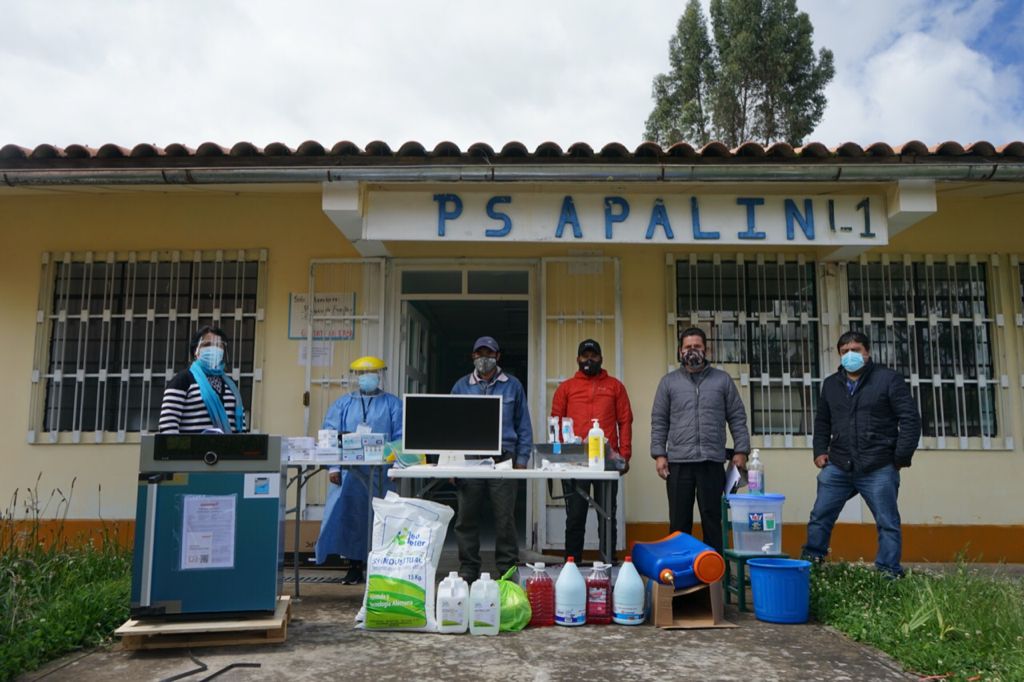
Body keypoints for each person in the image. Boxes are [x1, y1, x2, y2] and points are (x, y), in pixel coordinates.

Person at [802, 331, 921, 577]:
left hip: (878, 465)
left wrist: (900, 457)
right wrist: (819, 451)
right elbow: (822, 421)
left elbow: (909, 419)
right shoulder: (831, 384)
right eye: (845, 351)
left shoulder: (888, 379)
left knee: (887, 522)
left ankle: (889, 574)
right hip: (839, 464)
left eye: (855, 350)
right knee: (820, 516)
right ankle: (812, 565)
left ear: (867, 352)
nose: (850, 355)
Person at [649, 327, 749, 554]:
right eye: (688, 347)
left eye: (697, 347)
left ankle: (713, 578)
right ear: (679, 351)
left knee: (712, 520)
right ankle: (679, 572)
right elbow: (659, 420)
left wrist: (741, 451)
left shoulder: (722, 380)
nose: (692, 351)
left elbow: (737, 417)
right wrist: (659, 455)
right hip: (678, 463)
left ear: (707, 350)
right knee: (678, 523)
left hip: (711, 461)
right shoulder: (668, 383)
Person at [451, 336, 533, 583]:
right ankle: (468, 568)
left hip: (503, 459)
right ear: (472, 356)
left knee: (505, 517)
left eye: (489, 353)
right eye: (479, 353)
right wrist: (451, 463)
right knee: (466, 517)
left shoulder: (513, 385)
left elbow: (524, 425)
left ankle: (507, 569)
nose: (483, 358)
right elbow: (450, 428)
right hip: (469, 460)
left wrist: (522, 460)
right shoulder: (461, 386)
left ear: (498, 356)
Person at [314, 356, 402, 584]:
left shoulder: (392, 404)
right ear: (355, 377)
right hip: (349, 474)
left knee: (382, 517)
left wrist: (398, 466)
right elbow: (329, 435)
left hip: (381, 473)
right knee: (351, 517)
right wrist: (332, 467)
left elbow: (401, 436)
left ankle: (381, 568)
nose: (367, 377)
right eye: (362, 373)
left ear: (380, 375)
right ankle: (354, 566)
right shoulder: (343, 404)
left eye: (372, 372)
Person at [551, 338, 633, 563]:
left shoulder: (615, 386)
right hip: (575, 463)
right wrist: (560, 456)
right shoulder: (566, 388)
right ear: (578, 359)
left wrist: (624, 455)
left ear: (601, 358)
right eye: (585, 356)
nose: (589, 360)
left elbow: (625, 421)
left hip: (607, 462)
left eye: (593, 356)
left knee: (607, 515)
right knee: (575, 516)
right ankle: (572, 562)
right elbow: (556, 422)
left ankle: (608, 562)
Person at [159, 326, 245, 434]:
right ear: (196, 351)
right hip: (193, 451)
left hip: (228, 451)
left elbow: (241, 427)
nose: (214, 349)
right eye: (207, 345)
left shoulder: (231, 386)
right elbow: (168, 426)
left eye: (219, 346)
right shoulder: (183, 380)